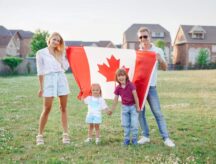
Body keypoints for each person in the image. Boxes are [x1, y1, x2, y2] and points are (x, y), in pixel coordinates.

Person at [137, 27, 175, 147]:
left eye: (145, 36)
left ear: (150, 36)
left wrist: (160, 59)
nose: (143, 39)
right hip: (139, 88)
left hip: (151, 87)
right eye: (141, 37)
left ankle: (166, 138)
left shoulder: (157, 50)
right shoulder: (137, 52)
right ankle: (145, 136)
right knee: (140, 113)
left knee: (157, 112)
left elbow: (165, 68)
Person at [35, 32, 70, 145]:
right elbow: (40, 72)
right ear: (49, 39)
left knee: (63, 108)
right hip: (49, 80)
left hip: (61, 78)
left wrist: (61, 55)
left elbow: (66, 67)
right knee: (47, 108)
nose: (56, 42)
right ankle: (40, 135)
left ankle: (65, 134)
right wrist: (41, 88)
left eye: (58, 41)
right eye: (54, 39)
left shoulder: (60, 52)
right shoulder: (40, 53)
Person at [110, 68, 140, 146]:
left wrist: (138, 106)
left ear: (126, 76)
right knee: (125, 124)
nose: (121, 77)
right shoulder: (118, 88)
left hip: (133, 107)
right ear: (117, 78)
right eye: (119, 76)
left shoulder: (131, 85)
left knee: (134, 124)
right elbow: (115, 100)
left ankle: (134, 139)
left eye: (122, 75)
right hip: (124, 108)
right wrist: (112, 110)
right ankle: (126, 139)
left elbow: (135, 96)